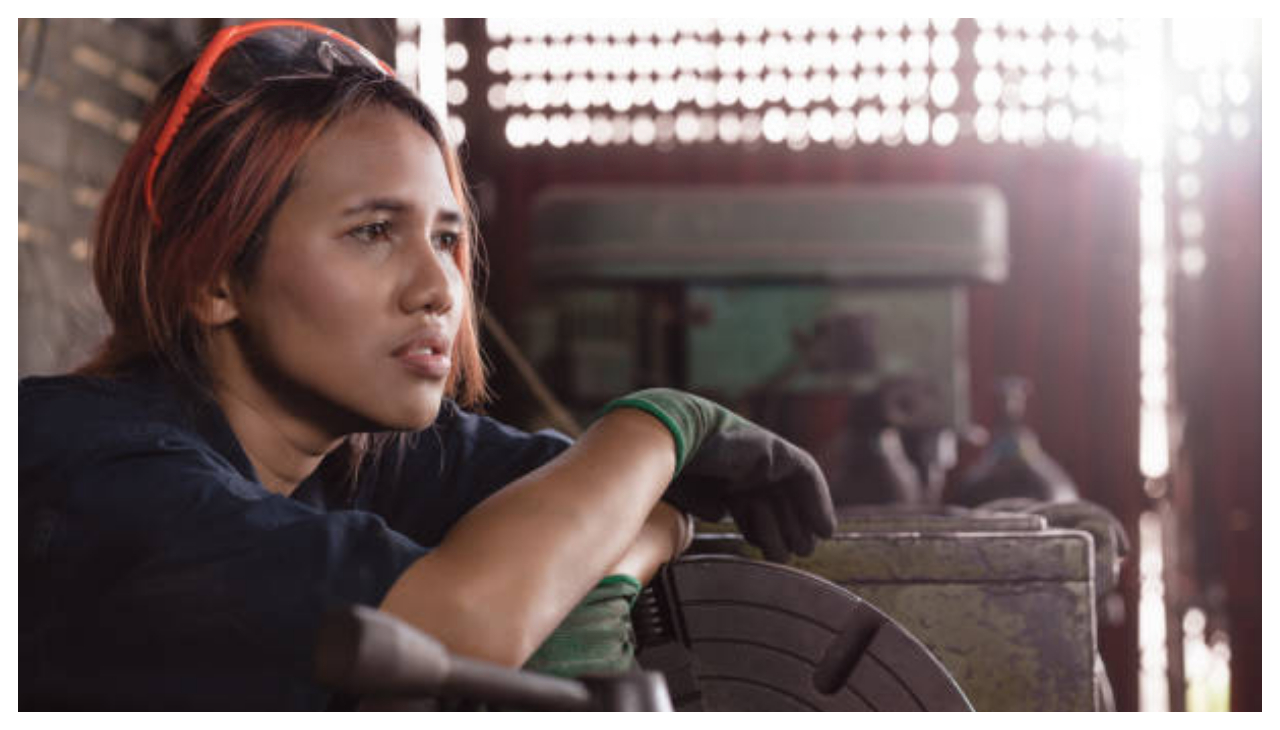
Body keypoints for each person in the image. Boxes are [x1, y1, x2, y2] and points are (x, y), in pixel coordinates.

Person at [18, 21, 835, 710]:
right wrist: (664, 420)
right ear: (214, 277)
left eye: (447, 238)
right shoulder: (83, 468)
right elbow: (463, 620)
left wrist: (600, 568)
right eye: (374, 231)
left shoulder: (369, 454)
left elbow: (618, 503)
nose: (438, 288)